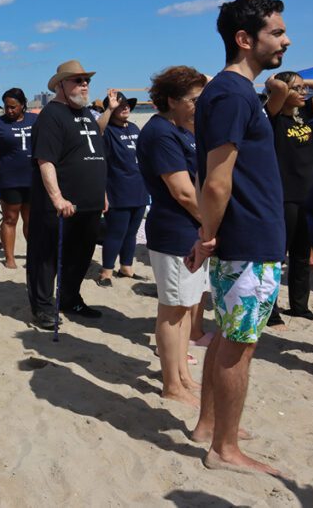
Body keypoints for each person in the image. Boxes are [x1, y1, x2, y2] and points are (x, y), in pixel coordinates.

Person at [188, 0, 290, 476]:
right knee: (238, 345)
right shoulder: (230, 93)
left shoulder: (236, 93)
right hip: (248, 239)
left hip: (246, 237)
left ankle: (209, 426)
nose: (286, 40)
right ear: (244, 39)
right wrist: (207, 234)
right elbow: (216, 179)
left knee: (229, 337)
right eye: (276, 32)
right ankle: (224, 450)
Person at [137, 66, 210, 407]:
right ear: (171, 101)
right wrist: (211, 224)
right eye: (194, 99)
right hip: (174, 229)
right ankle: (171, 384)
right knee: (173, 309)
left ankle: (182, 374)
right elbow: (182, 191)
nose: (200, 105)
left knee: (186, 306)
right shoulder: (161, 134)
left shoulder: (180, 129)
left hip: (187, 228)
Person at [27, 60, 107, 330]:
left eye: (86, 80)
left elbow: (95, 155)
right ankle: (43, 307)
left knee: (81, 255)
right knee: (46, 258)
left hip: (90, 203)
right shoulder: (51, 116)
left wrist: (102, 192)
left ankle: (70, 298)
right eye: (77, 80)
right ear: (61, 84)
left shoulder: (86, 115)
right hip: (59, 205)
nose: (84, 85)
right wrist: (57, 197)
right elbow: (45, 160)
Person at [263, 71, 313, 324]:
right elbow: (274, 87)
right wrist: (283, 85)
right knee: (277, 255)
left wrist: (303, 81)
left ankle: (299, 306)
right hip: (283, 196)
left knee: (300, 255)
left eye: (304, 89)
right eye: (296, 89)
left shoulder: (304, 114)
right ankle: (271, 310)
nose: (303, 93)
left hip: (307, 196)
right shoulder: (273, 116)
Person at [96, 90, 149, 287]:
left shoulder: (135, 128)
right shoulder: (107, 131)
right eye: (120, 105)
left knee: (131, 233)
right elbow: (98, 131)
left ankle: (126, 267)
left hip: (140, 189)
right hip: (117, 190)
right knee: (116, 232)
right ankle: (106, 272)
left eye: (127, 104)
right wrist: (103, 194)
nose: (126, 107)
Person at [0, 88, 38, 269]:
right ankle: (9, 258)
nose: (9, 111)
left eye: (13, 107)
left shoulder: (34, 120)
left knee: (31, 220)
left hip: (33, 177)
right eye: (6, 107)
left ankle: (33, 256)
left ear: (23, 105)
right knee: (10, 218)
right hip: (9, 177)